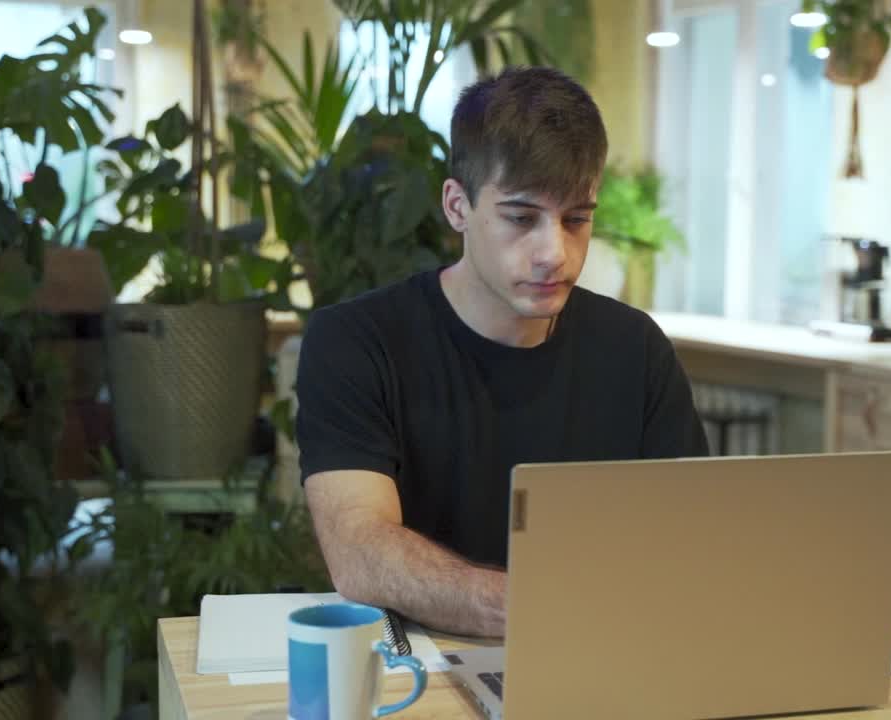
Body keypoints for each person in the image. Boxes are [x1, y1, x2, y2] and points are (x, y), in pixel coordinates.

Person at [296, 66, 708, 639]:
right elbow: (359, 551)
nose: (554, 252)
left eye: (576, 219)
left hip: (599, 650)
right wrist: (537, 608)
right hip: (418, 664)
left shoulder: (635, 348)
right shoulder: (357, 342)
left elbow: (689, 540)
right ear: (457, 205)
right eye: (520, 217)